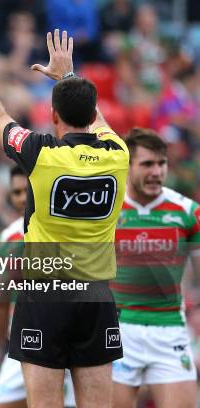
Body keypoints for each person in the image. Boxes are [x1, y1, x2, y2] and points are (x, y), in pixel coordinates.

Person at [0, 27, 129, 408]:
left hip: (45, 295)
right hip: (96, 298)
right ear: (91, 113)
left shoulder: (41, 153)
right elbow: (98, 122)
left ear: (53, 115)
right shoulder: (118, 154)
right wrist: (68, 75)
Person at [111, 129, 200, 408]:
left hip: (170, 331)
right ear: (127, 166)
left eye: (161, 163)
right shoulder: (107, 212)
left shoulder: (187, 212)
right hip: (119, 330)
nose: (157, 172)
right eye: (147, 164)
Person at [0, 166, 76, 407]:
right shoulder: (7, 240)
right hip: (25, 343)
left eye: (28, 190)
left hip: (74, 344)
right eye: (17, 192)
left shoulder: (73, 231)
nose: (23, 197)